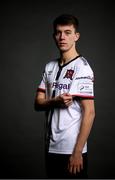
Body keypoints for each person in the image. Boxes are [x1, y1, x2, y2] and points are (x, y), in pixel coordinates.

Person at [34, 14, 95, 178]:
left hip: (71, 149)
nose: (62, 37)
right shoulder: (49, 67)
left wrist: (77, 152)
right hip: (50, 146)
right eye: (58, 32)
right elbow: (38, 103)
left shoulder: (82, 68)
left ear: (76, 36)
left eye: (67, 32)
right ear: (54, 36)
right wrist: (55, 101)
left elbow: (89, 112)